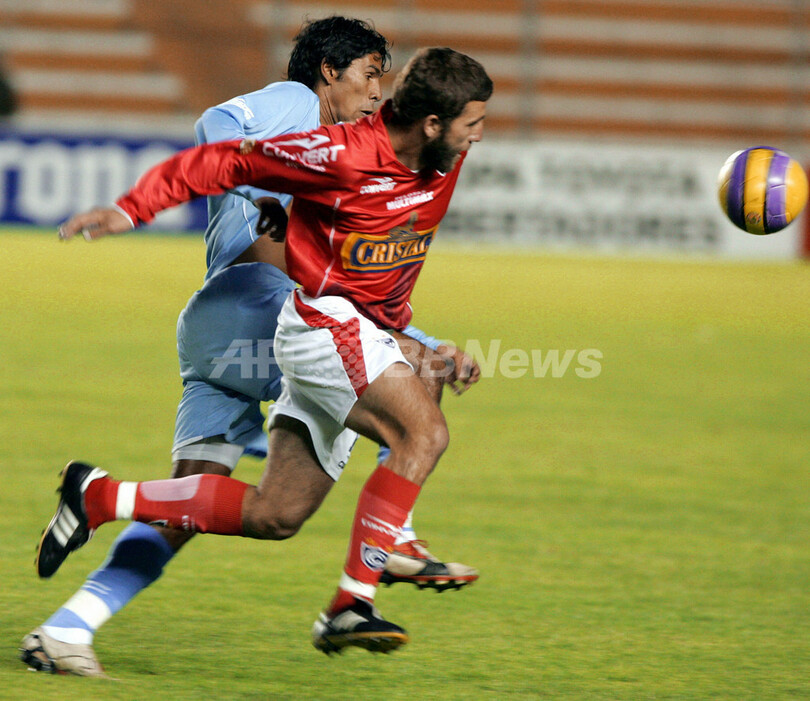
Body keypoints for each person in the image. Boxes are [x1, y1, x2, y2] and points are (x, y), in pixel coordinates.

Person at [21, 20, 480, 679]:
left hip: (217, 327)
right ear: (329, 71)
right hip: (260, 309)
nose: (378, 90)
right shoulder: (301, 105)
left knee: (191, 502)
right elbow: (217, 125)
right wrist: (266, 198)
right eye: (370, 73)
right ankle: (392, 543)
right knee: (415, 383)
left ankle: (65, 628)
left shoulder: (357, 152)